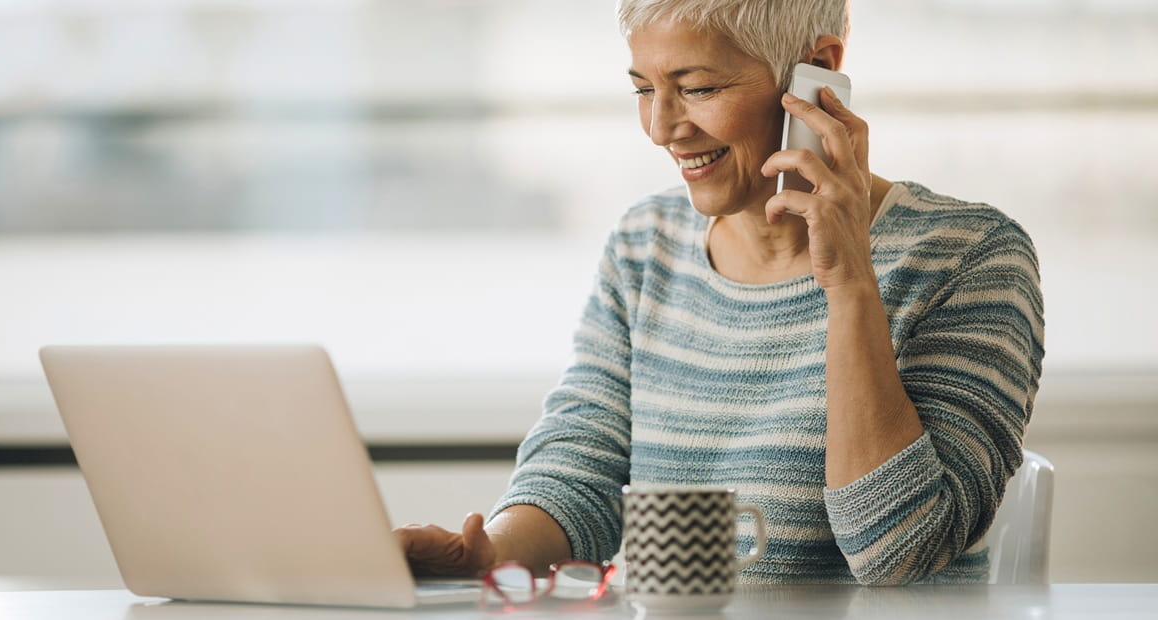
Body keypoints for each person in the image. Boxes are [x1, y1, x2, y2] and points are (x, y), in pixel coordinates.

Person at [395, 0, 1044, 585]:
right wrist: (490, 555)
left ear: (815, 72)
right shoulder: (644, 244)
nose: (660, 127)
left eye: (698, 88)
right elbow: (581, 468)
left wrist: (849, 286)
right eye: (644, 90)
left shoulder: (969, 256)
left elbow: (898, 551)